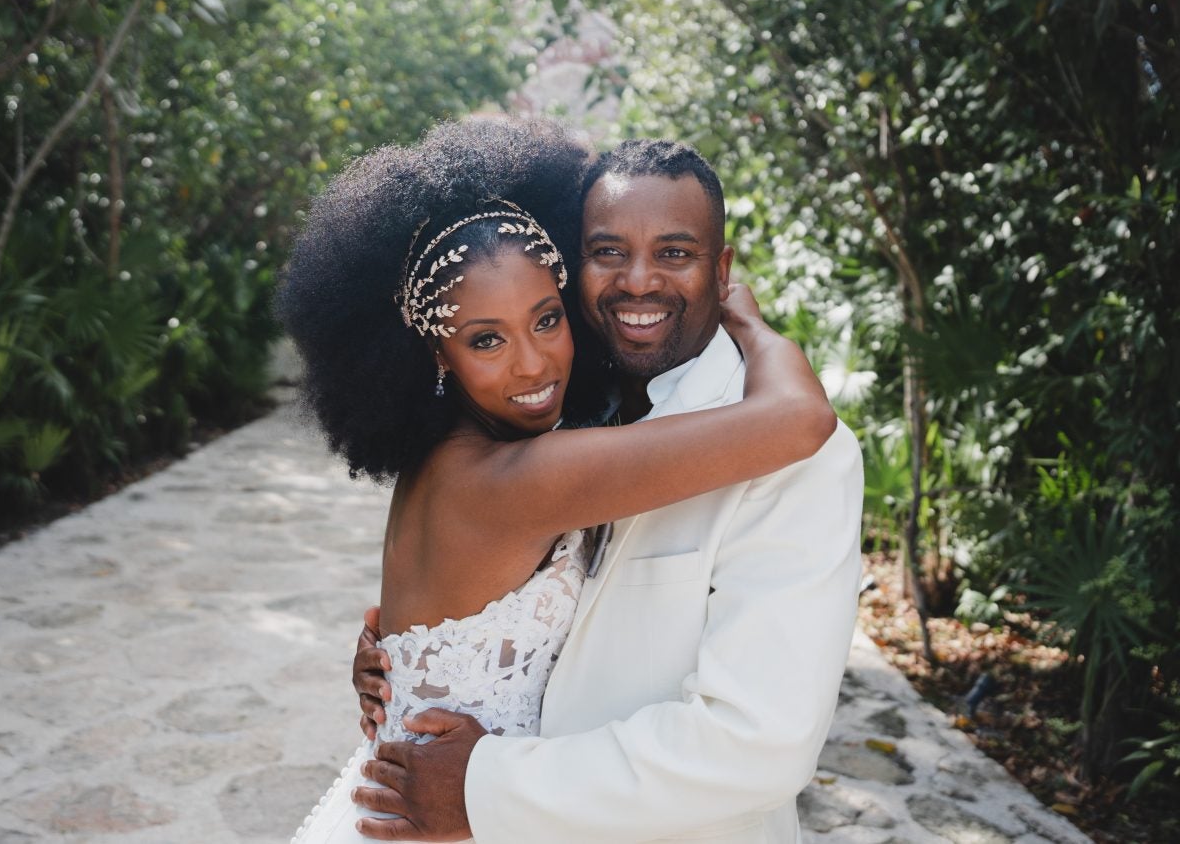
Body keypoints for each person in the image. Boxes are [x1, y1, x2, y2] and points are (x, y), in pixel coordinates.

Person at [278, 120, 839, 844]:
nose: (533, 365)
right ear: (433, 355)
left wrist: (415, 659)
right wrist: (754, 328)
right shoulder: (519, 476)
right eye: (486, 339)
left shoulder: (493, 449)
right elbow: (799, 419)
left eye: (547, 319)